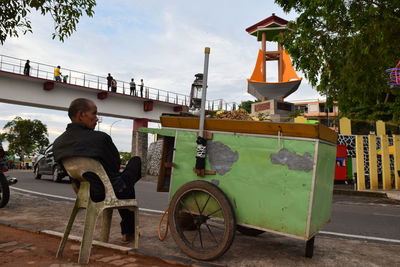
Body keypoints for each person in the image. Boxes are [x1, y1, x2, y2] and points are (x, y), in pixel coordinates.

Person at [53, 98, 141, 243]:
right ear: (81, 115)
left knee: (122, 186)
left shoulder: (58, 143)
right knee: (134, 163)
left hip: (85, 194)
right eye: (94, 114)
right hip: (108, 191)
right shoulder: (101, 139)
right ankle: (128, 230)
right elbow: (115, 166)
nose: (97, 119)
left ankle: (128, 230)